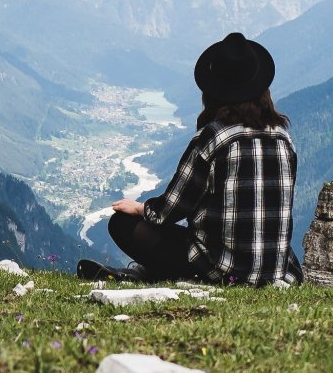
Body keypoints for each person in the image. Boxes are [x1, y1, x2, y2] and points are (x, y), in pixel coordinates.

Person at [77, 31, 301, 286]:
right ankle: (150, 273)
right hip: (274, 270)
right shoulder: (283, 139)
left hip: (221, 270)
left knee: (122, 224)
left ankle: (151, 272)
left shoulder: (215, 138)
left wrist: (139, 208)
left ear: (213, 92)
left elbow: (171, 209)